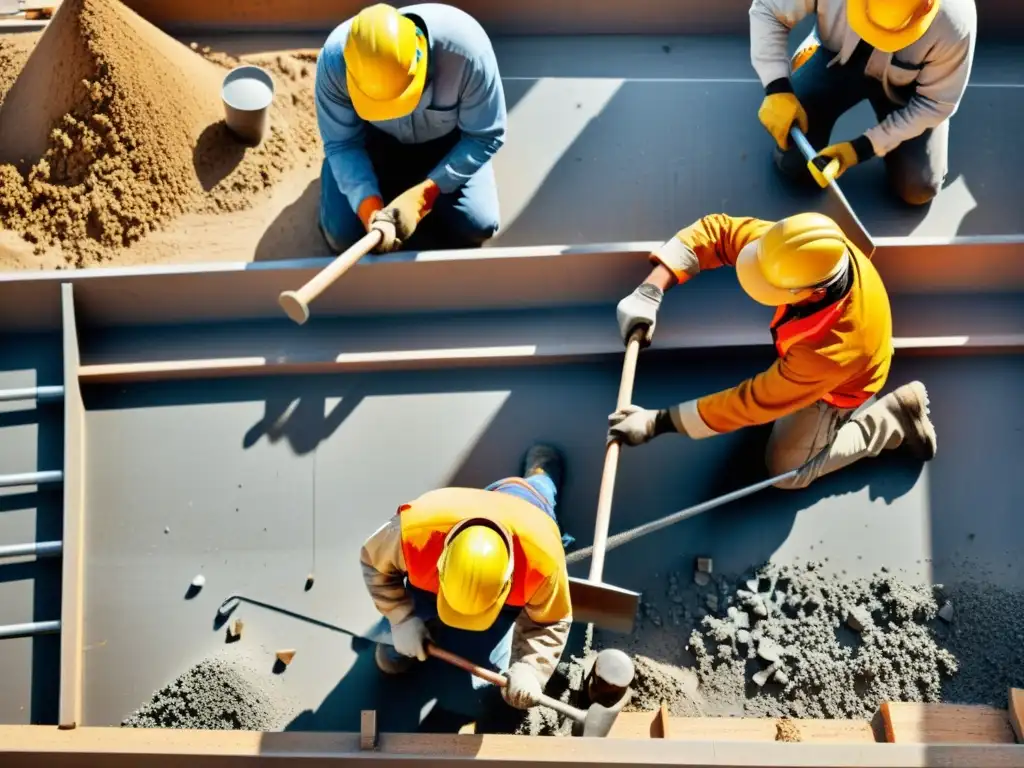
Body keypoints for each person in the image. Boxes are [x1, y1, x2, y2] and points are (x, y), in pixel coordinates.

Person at [612, 212, 936, 489]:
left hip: (838, 388)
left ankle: (892, 419)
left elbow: (750, 403)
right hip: (810, 357)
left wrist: (657, 422)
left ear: (815, 292)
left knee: (786, 474)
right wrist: (650, 291)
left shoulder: (828, 352)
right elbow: (718, 231)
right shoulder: (798, 245)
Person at [359, 445, 574, 710]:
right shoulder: (413, 533)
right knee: (395, 647)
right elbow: (374, 563)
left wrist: (532, 669)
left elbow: (552, 621)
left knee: (539, 489)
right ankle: (416, 629)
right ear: (440, 563)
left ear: (508, 582)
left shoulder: (543, 561)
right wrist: (401, 618)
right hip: (449, 536)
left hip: (528, 509)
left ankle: (542, 471)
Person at [315, 3, 506, 254]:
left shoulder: (468, 53)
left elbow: (485, 136)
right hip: (374, 144)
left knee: (478, 225)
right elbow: (343, 143)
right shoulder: (334, 63)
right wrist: (370, 211)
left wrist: (420, 200)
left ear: (420, 52)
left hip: (446, 146)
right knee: (342, 235)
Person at [750, 0, 976, 205]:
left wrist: (861, 148)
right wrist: (777, 88)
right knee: (795, 164)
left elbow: (934, 103)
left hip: (907, 89)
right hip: (835, 57)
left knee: (919, 187)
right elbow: (767, 9)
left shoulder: (956, 20)